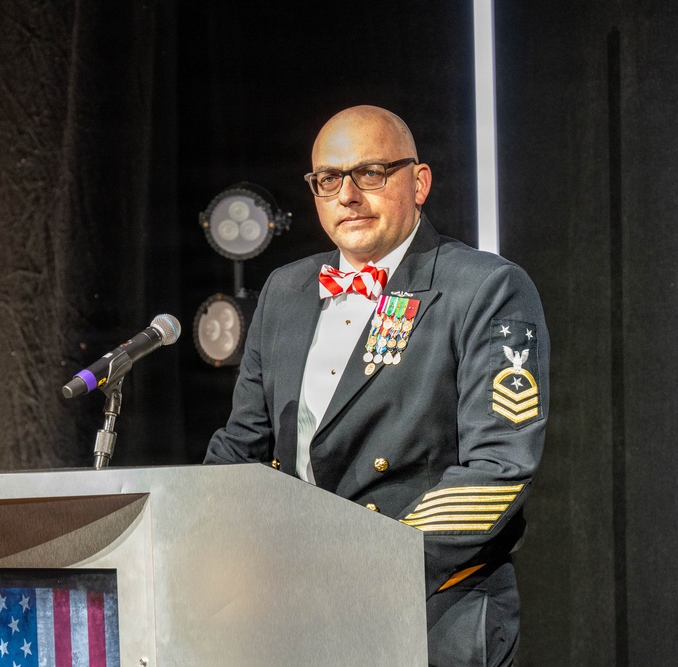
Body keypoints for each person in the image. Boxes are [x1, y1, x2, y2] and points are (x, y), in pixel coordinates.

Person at [205, 105, 549, 666]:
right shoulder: (284, 291)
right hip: (296, 612)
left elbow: (497, 472)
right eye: (329, 179)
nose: (348, 195)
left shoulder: (487, 287)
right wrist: (186, 533)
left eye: (371, 173)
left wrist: (364, 569)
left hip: (432, 606)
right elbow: (242, 449)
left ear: (419, 182)